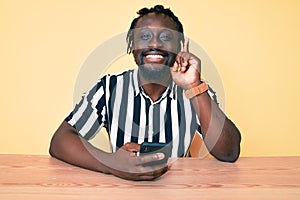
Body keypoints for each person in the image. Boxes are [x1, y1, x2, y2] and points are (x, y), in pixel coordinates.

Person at [49, 5, 241, 181]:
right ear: (131, 44)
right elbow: (60, 139)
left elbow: (229, 152)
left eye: (166, 37)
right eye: (145, 36)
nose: (155, 44)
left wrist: (194, 86)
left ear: (179, 46)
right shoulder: (108, 88)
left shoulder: (196, 89)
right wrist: (112, 164)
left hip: (179, 190)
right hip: (123, 189)